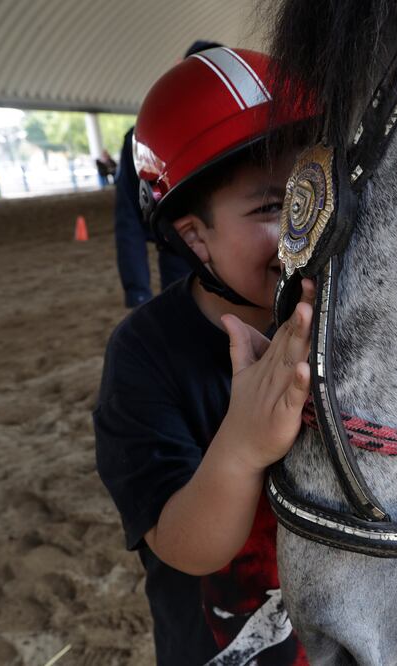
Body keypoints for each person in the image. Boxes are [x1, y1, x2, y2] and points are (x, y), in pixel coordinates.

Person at [93, 45, 314, 665]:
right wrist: (242, 447)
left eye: (316, 192)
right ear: (195, 237)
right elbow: (188, 547)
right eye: (275, 207)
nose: (308, 227)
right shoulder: (145, 356)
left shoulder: (352, 321)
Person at [112, 41, 217, 308]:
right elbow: (129, 219)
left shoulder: (253, 129)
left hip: (223, 258)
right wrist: (138, 292)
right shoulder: (140, 142)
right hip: (181, 261)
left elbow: (128, 220)